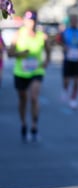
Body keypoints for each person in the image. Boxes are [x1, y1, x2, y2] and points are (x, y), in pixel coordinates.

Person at [8, 10, 50, 142]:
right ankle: (23, 123)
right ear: (24, 22)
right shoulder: (18, 35)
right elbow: (10, 53)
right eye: (28, 20)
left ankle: (34, 125)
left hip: (36, 71)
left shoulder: (41, 36)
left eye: (33, 20)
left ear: (36, 22)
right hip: (20, 72)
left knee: (33, 97)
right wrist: (21, 54)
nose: (30, 23)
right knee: (23, 99)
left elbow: (49, 51)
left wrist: (46, 62)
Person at [57, 13, 78, 109]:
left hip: (77, 59)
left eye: (76, 21)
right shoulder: (65, 32)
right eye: (73, 21)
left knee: (77, 81)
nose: (75, 22)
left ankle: (73, 99)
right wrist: (64, 47)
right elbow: (58, 41)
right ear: (70, 22)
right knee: (66, 80)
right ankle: (65, 89)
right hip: (68, 59)